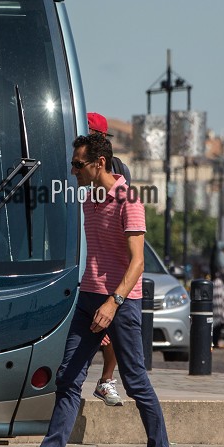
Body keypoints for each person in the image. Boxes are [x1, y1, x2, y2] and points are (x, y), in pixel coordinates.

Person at [0, 132, 173, 447]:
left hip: (121, 303)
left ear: (99, 164)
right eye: (72, 164)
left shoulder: (129, 200)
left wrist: (114, 302)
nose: (73, 171)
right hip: (88, 297)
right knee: (68, 379)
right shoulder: (89, 197)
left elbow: (138, 263)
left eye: (78, 165)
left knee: (136, 381)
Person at [86, 112, 127, 405]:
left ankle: (106, 380)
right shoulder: (77, 163)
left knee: (111, 329)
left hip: (108, 260)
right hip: (84, 253)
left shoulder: (119, 170)